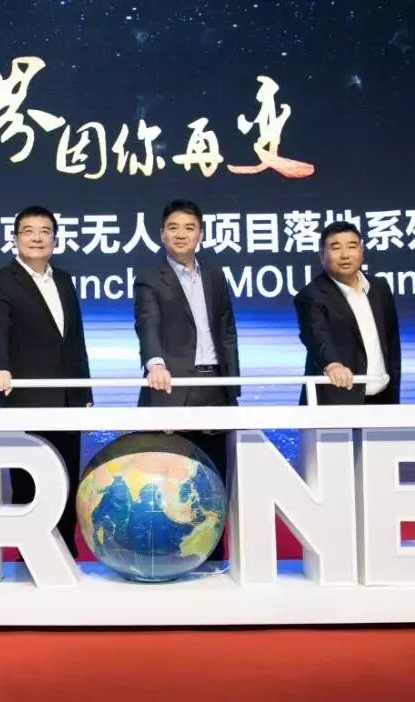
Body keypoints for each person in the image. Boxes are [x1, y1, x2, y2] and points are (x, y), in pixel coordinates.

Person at [0, 205, 92, 557]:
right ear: (15, 239)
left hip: (67, 400)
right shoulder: (1, 281)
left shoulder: (64, 280)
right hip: (25, 399)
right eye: (28, 232)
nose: (37, 238)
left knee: (66, 479)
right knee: (29, 483)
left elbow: (74, 341)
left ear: (54, 239)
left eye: (45, 231)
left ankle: (65, 553)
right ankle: (28, 556)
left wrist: (84, 391)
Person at [134, 198, 240, 562]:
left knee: (214, 483)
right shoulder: (150, 277)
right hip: (171, 387)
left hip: (215, 389)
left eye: (189, 228)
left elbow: (226, 330)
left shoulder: (215, 276)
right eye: (174, 228)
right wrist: (155, 363)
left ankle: (213, 560)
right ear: (161, 234)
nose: (181, 234)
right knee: (169, 486)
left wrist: (232, 383)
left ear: (201, 235)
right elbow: (147, 323)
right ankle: (167, 563)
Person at [293, 220, 401, 405]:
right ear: (321, 255)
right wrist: (332, 364)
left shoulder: (379, 287)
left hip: (383, 398)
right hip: (336, 400)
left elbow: (391, 342)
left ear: (361, 251)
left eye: (352, 246)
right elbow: (316, 335)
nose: (345, 255)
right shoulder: (311, 295)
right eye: (335, 248)